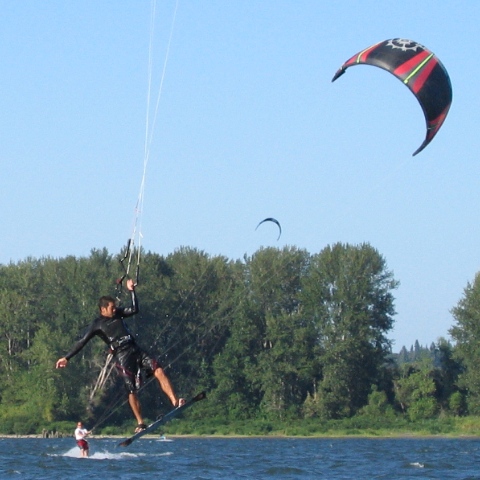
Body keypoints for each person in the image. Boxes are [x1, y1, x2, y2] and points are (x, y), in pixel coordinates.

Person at [56, 279, 185, 433]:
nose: (115, 309)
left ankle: (175, 401)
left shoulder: (118, 314)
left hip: (135, 349)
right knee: (131, 390)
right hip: (122, 356)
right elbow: (81, 342)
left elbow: (135, 309)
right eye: (111, 307)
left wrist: (132, 291)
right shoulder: (97, 325)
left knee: (158, 370)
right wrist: (67, 357)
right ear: (103, 309)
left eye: (115, 307)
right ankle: (140, 423)